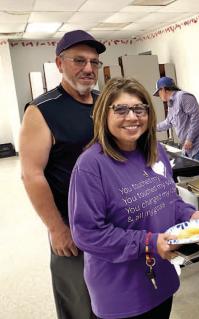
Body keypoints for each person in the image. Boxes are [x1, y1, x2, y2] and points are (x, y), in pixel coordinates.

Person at [68, 77, 199, 319]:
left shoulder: (155, 151)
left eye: (139, 108)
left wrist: (191, 215)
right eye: (121, 109)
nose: (132, 117)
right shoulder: (90, 165)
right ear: (104, 114)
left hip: (161, 279)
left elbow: (170, 199)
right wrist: (149, 242)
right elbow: (87, 233)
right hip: (120, 292)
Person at [19, 30, 105, 318]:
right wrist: (57, 229)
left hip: (113, 219)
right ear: (59, 64)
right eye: (79, 61)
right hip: (73, 226)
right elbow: (31, 174)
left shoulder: (104, 101)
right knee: (81, 301)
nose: (89, 69)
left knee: (114, 296)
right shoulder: (42, 111)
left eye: (94, 62)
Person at [153, 76, 199, 161]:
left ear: (164, 89)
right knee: (192, 172)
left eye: (159, 93)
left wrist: (189, 139)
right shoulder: (171, 104)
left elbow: (197, 118)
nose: (159, 96)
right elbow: (168, 122)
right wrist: (152, 127)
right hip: (190, 148)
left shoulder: (183, 97)